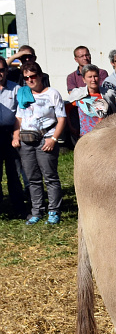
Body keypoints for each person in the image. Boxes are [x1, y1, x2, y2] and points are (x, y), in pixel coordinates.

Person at [13, 62, 67, 225]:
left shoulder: (52, 94)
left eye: (33, 76)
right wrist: (16, 136)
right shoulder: (23, 93)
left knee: (50, 177)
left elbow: (61, 118)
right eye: (26, 78)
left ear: (40, 75)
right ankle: (37, 211)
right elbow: (19, 118)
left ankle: (54, 211)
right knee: (32, 178)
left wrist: (54, 139)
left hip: (46, 139)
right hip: (26, 140)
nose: (30, 80)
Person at [0, 56, 26, 216]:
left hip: (11, 133)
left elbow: (19, 116)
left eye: (2, 70)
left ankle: (18, 207)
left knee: (14, 172)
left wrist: (16, 136)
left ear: (7, 70)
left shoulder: (16, 89)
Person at [68, 64, 115, 137]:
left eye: (95, 76)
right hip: (86, 137)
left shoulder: (109, 93)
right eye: (90, 77)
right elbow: (66, 110)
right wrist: (72, 128)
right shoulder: (78, 94)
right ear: (84, 79)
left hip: (105, 136)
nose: (93, 80)